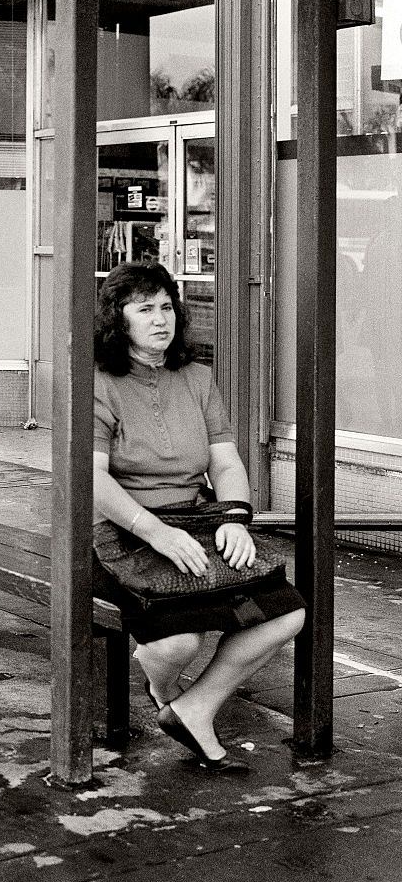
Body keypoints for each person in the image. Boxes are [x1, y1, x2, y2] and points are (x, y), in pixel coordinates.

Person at [93, 262, 306, 774]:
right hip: (123, 529)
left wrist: (234, 518)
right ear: (117, 320)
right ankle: (165, 690)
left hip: (197, 518)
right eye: (144, 309)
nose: (160, 319)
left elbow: (227, 462)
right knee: (176, 643)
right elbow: (93, 481)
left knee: (286, 612)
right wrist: (156, 532)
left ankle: (195, 707)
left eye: (166, 306)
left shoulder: (196, 377)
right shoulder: (96, 383)